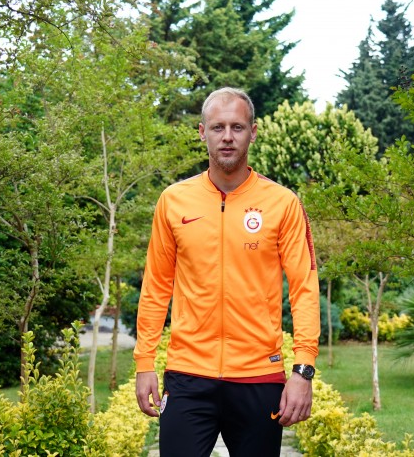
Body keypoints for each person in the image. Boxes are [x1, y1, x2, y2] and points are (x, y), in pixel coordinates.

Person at [134, 87, 320, 456]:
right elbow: (156, 287)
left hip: (259, 376)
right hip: (188, 376)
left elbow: (304, 289)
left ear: (253, 132)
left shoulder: (282, 203)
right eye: (218, 127)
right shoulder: (173, 201)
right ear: (202, 132)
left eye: (237, 127)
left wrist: (303, 370)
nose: (228, 137)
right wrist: (144, 363)